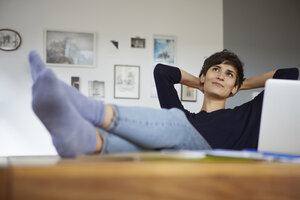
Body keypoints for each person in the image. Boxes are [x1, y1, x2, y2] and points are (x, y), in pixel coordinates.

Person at [28, 50, 298, 158]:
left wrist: (239, 87)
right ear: (204, 76)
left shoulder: (246, 114)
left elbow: (291, 75)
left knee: (177, 123)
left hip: (214, 160)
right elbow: (162, 72)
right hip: (178, 153)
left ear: (236, 86)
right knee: (167, 130)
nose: (221, 75)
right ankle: (85, 139)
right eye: (215, 70)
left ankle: (89, 109)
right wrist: (204, 82)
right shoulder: (184, 113)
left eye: (229, 75)